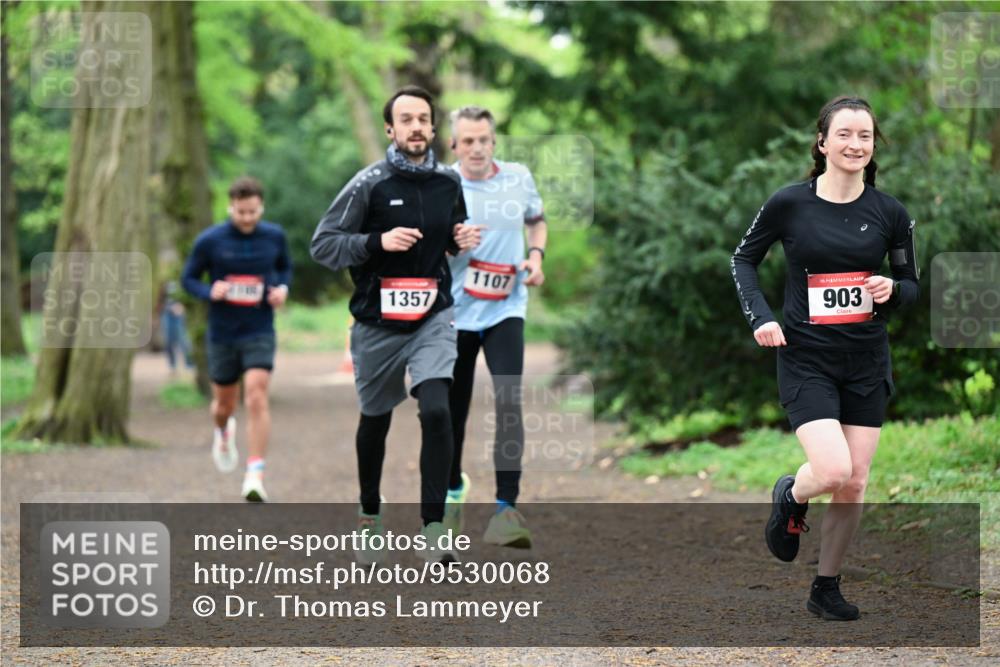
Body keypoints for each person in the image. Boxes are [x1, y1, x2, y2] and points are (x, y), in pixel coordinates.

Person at [731, 96, 919, 621]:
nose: (855, 144)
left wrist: (892, 288)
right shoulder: (789, 203)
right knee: (833, 470)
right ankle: (792, 492)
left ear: (873, 144)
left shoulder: (891, 213)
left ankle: (826, 586)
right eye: (844, 134)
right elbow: (743, 259)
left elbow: (912, 286)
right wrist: (761, 318)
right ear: (822, 142)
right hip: (806, 357)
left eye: (865, 136)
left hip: (865, 360)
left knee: (856, 481)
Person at [310, 86, 480, 564]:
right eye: (405, 119)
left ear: (433, 127)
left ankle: (432, 528)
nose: (416, 127)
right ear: (390, 129)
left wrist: (458, 238)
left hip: (433, 316)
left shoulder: (449, 182)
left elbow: (449, 236)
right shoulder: (368, 184)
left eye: (423, 119)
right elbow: (323, 246)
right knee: (375, 420)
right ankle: (369, 514)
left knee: (438, 411)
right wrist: (377, 242)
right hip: (377, 323)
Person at [443, 105, 547, 549]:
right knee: (452, 409)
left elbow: (536, 220)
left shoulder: (518, 177)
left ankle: (506, 508)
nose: (477, 148)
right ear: (454, 145)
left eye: (484, 139)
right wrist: (450, 244)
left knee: (509, 401)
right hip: (455, 312)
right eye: (468, 141)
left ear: (494, 141)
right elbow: (426, 244)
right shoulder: (442, 185)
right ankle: (451, 492)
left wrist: (536, 256)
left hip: (507, 308)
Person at [182, 176, 292, 502]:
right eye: (241, 212)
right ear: (231, 207)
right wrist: (208, 290)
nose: (247, 218)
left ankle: (254, 473)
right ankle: (223, 431)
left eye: (253, 212)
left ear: (261, 207)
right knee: (223, 405)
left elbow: (285, 268)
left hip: (259, 329)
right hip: (223, 332)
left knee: (257, 396)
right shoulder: (210, 240)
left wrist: (282, 289)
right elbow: (188, 278)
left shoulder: (275, 236)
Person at [159, 280, 194, 375]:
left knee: (184, 341)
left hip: (179, 316)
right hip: (166, 314)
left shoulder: (181, 277)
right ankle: (172, 366)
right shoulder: (163, 281)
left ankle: (189, 365)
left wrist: (182, 307)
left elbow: (188, 298)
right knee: (169, 341)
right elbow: (159, 300)